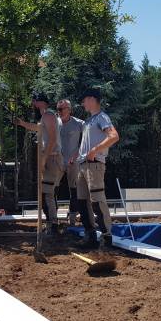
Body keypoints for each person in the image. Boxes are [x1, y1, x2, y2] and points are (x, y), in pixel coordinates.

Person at [14, 92, 63, 237]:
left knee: (47, 194)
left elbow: (53, 139)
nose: (32, 105)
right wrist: (22, 123)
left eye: (34, 102)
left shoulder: (48, 115)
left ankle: (53, 226)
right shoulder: (45, 117)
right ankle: (51, 225)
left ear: (40, 102)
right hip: (50, 157)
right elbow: (38, 128)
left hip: (52, 158)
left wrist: (44, 158)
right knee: (46, 193)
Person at [76, 88, 119, 249]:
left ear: (92, 99)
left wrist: (95, 150)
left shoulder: (102, 117)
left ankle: (106, 237)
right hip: (82, 166)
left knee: (97, 201)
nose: (82, 103)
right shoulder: (88, 121)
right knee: (82, 202)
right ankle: (90, 235)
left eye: (84, 100)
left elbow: (114, 136)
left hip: (94, 165)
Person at [56, 98, 84, 226]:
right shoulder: (55, 123)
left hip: (74, 162)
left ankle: (72, 218)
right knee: (53, 189)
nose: (59, 111)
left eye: (62, 109)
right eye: (58, 109)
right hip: (57, 162)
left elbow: (89, 138)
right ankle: (52, 219)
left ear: (69, 109)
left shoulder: (79, 123)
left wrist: (78, 152)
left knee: (74, 190)